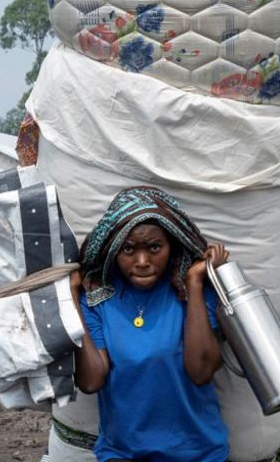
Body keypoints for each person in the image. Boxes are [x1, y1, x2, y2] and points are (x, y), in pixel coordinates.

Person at [70, 186, 230, 462]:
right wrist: (73, 297)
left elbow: (201, 371)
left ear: (171, 247)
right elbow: (91, 380)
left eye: (154, 248)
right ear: (113, 250)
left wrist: (194, 282)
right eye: (128, 249)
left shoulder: (189, 293)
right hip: (123, 454)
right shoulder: (98, 299)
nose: (142, 262)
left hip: (198, 453)